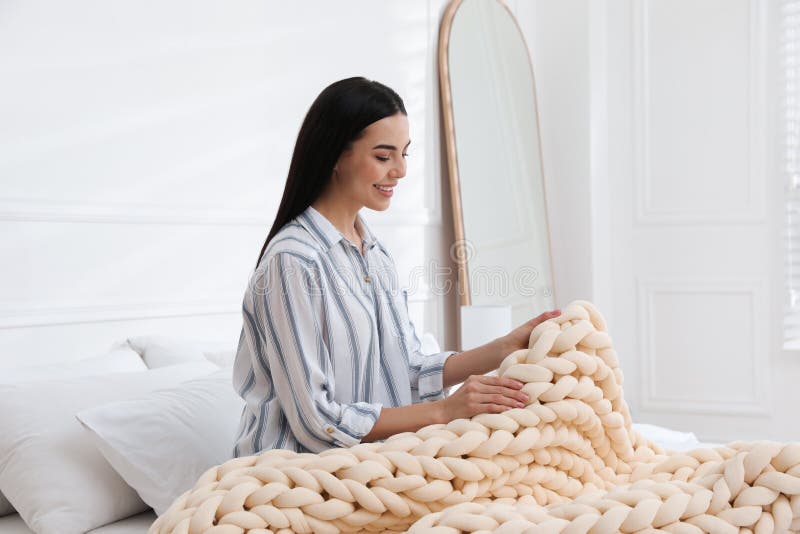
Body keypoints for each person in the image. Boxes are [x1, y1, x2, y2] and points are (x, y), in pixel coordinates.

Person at [231, 76, 561, 457]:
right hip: (293, 474)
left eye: (405, 153)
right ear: (336, 155)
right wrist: (444, 411)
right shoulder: (292, 263)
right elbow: (316, 421)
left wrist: (502, 349)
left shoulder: (375, 254)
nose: (400, 170)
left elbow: (403, 372)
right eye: (383, 156)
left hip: (373, 464)